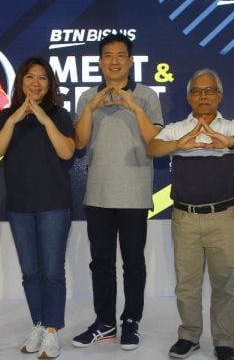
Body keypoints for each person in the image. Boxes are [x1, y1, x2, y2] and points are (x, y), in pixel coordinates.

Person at [147, 69, 234, 360]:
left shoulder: (231, 127)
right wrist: (179, 144)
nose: (203, 96)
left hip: (223, 217)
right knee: (187, 284)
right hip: (185, 218)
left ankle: (224, 342)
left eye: (209, 90)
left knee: (225, 283)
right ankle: (189, 336)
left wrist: (230, 143)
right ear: (189, 98)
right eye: (197, 91)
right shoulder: (177, 128)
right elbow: (152, 147)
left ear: (219, 96)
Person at [71, 33, 164, 351]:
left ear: (130, 61)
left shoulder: (148, 95)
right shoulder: (86, 97)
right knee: (101, 263)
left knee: (134, 263)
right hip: (98, 195)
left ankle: (131, 322)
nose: (114, 61)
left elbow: (155, 144)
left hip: (135, 195)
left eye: (120, 55)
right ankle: (105, 322)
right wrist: (93, 106)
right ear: (100, 62)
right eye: (107, 55)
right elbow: (79, 143)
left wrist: (133, 107)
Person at [0, 57, 75, 359]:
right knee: (30, 272)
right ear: (21, 81)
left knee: (52, 271)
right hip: (19, 206)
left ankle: (52, 331)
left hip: (53, 204)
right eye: (30, 77)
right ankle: (38, 324)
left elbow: (67, 152)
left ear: (50, 84)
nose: (36, 83)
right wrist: (13, 120)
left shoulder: (60, 115)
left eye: (42, 78)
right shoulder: (5, 116)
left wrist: (43, 118)